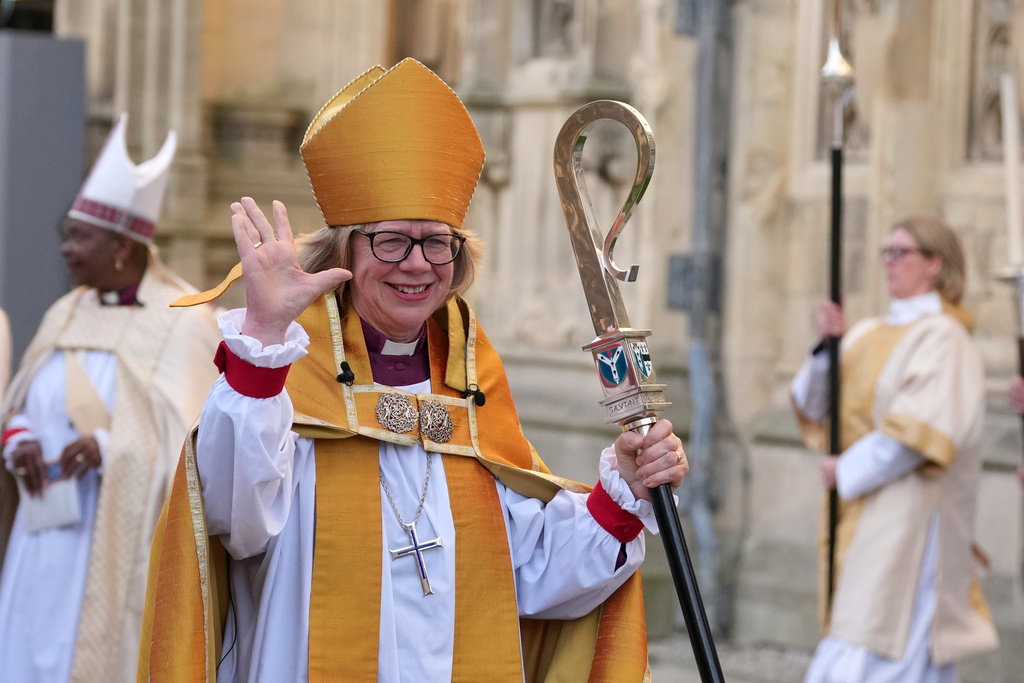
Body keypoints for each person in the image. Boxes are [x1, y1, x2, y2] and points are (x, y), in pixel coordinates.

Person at [139, 58, 688, 682]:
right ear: (345, 248)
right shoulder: (283, 384)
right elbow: (235, 520)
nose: (418, 265)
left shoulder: (469, 390)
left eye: (436, 242)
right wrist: (263, 339)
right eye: (392, 241)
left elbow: (531, 572)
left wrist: (626, 493)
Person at [0, 114, 222, 682]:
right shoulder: (65, 311)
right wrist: (19, 440)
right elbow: (23, 403)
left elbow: (196, 447)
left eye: (80, 237)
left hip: (115, 541)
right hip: (39, 531)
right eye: (67, 236)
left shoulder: (185, 324)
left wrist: (109, 447)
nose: (67, 251)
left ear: (123, 246)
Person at [792, 216, 998, 682]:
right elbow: (815, 403)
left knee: (884, 641)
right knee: (859, 631)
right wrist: (827, 346)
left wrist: (844, 470)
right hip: (863, 510)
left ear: (934, 264)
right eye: (886, 251)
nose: (888, 262)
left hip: (913, 515)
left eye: (900, 252)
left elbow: (922, 432)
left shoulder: (946, 337)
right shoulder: (866, 332)